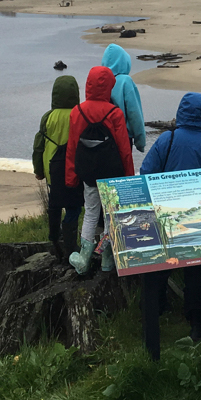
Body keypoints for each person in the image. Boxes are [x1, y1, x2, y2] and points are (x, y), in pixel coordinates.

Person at [139, 92, 201, 353]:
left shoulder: (166, 139)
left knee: (160, 265)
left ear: (181, 112)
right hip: (198, 218)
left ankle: (154, 311)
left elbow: (146, 172)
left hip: (166, 213)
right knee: (196, 270)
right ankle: (196, 322)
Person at [66, 66, 135, 275]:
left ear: (88, 84)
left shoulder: (77, 111)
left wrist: (71, 177)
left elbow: (72, 147)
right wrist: (128, 178)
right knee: (109, 216)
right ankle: (107, 259)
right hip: (111, 174)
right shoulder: (115, 113)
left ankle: (84, 258)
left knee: (90, 213)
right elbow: (124, 149)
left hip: (88, 174)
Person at [32, 75, 83, 262]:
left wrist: (38, 169)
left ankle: (54, 238)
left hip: (51, 169)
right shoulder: (79, 114)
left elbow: (38, 146)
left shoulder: (48, 117)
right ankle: (70, 244)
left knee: (54, 204)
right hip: (73, 169)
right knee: (74, 206)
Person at [101, 43, 147, 155]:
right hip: (123, 137)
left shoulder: (100, 80)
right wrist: (140, 142)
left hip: (102, 136)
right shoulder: (125, 81)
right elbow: (134, 113)